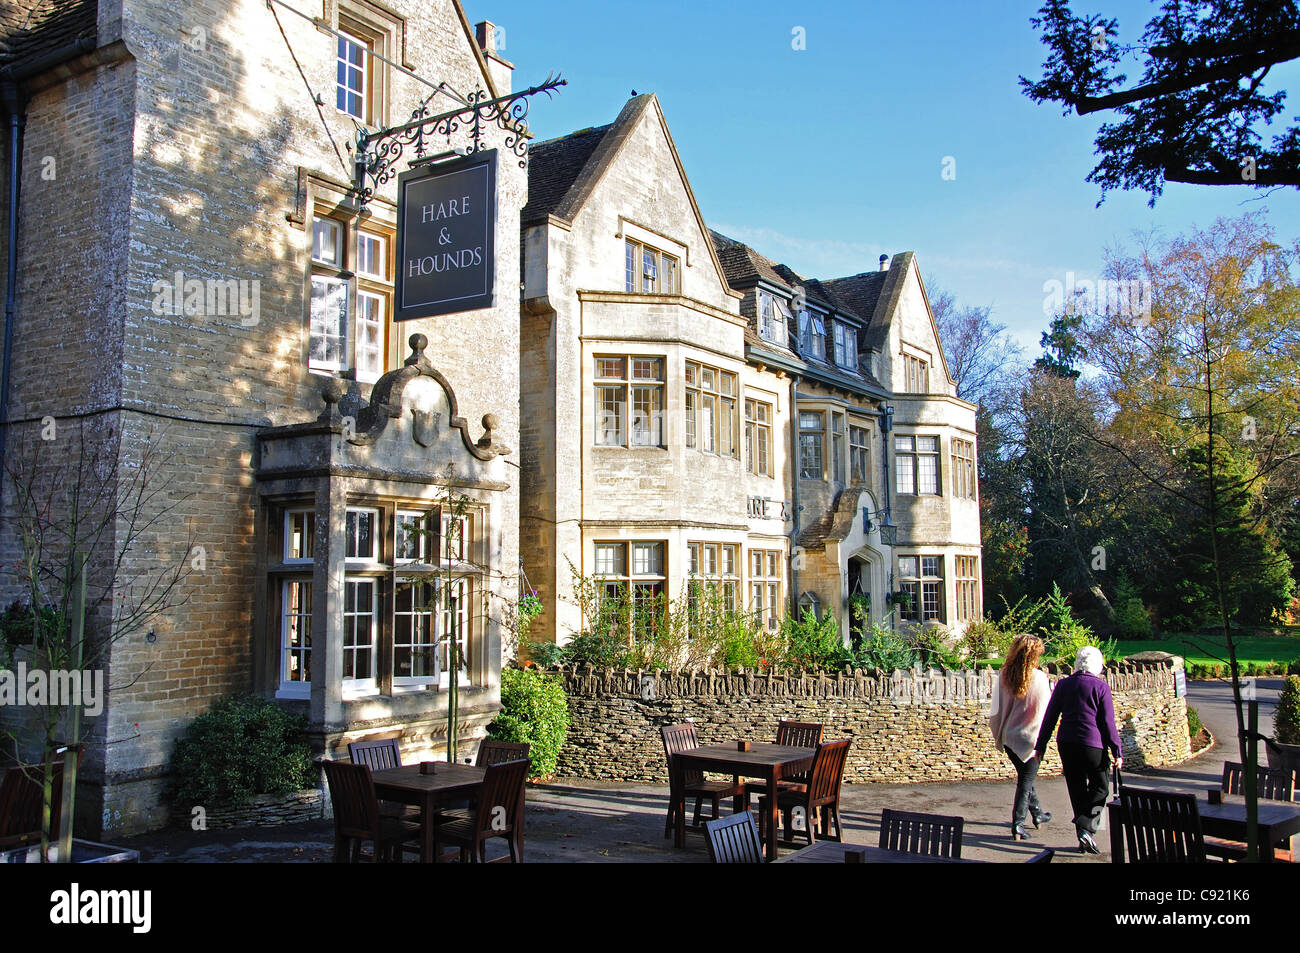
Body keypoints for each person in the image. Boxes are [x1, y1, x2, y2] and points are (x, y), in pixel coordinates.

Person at [1035, 645, 1123, 854]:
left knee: (1076, 788)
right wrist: (1117, 750)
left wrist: (1041, 745)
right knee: (1100, 787)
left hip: (1067, 743)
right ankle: (1086, 825)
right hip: (1092, 744)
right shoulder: (1100, 687)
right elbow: (1107, 723)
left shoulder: (1064, 684)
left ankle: (1083, 836)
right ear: (1097, 665)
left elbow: (1050, 717)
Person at [989, 634, 1052, 840]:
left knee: (1027, 778)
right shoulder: (1040, 679)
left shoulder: (1005, 675)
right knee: (1025, 780)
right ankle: (1017, 824)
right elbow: (1045, 712)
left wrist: (998, 732)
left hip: (1009, 737)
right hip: (1031, 738)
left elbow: (996, 710)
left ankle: (1038, 815)